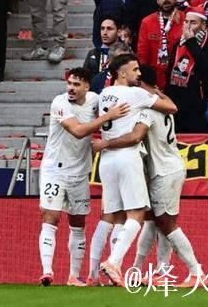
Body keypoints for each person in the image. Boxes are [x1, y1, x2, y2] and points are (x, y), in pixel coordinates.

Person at [93, 64, 205, 288]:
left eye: (138, 79)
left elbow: (136, 136)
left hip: (166, 170)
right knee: (152, 220)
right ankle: (145, 269)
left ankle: (196, 271)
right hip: (162, 168)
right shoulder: (159, 102)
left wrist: (105, 143)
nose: (134, 84)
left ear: (143, 84)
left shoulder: (147, 109)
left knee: (167, 224)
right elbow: (169, 106)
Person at [38, 67, 128, 287]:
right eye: (69, 83)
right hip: (55, 170)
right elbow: (78, 131)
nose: (71, 88)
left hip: (80, 172)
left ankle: (73, 276)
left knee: (78, 223)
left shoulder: (95, 100)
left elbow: (114, 99)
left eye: (76, 84)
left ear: (87, 87)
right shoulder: (59, 103)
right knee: (51, 217)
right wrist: (107, 117)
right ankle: (47, 271)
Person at [165, 7, 208, 133]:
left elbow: (206, 66)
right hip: (176, 103)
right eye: (186, 22)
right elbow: (169, 73)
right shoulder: (178, 44)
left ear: (203, 25)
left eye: (193, 22)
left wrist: (191, 41)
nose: (188, 26)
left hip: (197, 105)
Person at [137, 0, 185, 91]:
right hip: (155, 80)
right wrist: (146, 81)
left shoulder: (185, 20)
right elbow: (142, 54)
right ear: (157, 0)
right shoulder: (147, 22)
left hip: (179, 78)